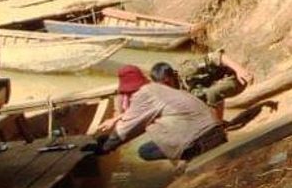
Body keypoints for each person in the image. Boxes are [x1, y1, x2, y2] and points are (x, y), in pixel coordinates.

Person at [96, 64, 225, 161]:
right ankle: (192, 154)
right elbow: (135, 127)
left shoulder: (143, 95)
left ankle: (194, 157)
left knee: (145, 151)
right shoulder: (158, 88)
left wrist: (104, 148)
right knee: (153, 134)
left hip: (201, 141)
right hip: (217, 133)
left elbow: (125, 130)